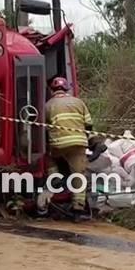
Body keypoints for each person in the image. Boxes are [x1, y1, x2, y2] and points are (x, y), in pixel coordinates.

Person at [44, 76, 93, 220]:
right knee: (78, 175)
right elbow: (89, 124)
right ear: (66, 89)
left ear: (52, 90)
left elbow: (44, 128)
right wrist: (86, 138)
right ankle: (78, 208)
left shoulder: (48, 105)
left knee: (50, 159)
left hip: (58, 144)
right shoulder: (79, 102)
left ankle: (55, 180)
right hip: (78, 144)